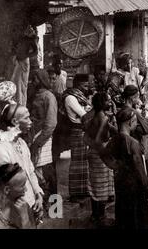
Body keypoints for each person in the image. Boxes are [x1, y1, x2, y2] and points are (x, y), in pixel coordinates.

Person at [100, 107, 148, 229]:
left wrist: (115, 166)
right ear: (130, 122)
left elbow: (103, 155)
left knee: (123, 215)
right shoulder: (132, 143)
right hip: (134, 186)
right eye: (135, 121)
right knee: (138, 218)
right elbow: (139, 168)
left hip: (120, 182)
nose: (136, 124)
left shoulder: (114, 140)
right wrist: (147, 187)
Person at [0, 104, 44, 223]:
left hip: (29, 204)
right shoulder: (1, 149)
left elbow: (31, 172)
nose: (30, 122)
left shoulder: (21, 143)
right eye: (26, 118)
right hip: (14, 209)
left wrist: (38, 194)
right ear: (14, 121)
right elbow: (4, 188)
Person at [83, 92, 116, 226]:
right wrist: (103, 151)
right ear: (103, 103)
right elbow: (98, 139)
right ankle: (101, 217)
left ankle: (95, 215)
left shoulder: (95, 116)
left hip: (92, 153)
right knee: (102, 186)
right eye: (108, 100)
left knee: (95, 184)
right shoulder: (103, 118)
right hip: (100, 153)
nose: (110, 102)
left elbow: (85, 137)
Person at [29, 69, 58, 204]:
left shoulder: (49, 96)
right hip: (34, 135)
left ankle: (55, 209)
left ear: (40, 81)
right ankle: (43, 204)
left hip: (43, 136)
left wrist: (38, 142)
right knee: (37, 170)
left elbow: (51, 123)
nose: (32, 81)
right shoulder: (35, 95)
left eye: (35, 79)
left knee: (46, 171)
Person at [61, 74, 91, 202]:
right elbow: (85, 115)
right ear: (78, 84)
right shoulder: (70, 98)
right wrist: (90, 109)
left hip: (82, 131)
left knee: (84, 162)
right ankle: (75, 193)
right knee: (77, 163)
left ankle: (83, 190)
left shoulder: (79, 97)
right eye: (84, 85)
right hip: (77, 131)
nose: (86, 87)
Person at [0, 163, 37, 229]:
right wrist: (25, 218)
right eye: (22, 186)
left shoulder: (24, 205)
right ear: (7, 190)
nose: (26, 189)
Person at [10, 24, 38, 106]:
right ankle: (17, 103)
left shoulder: (31, 40)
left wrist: (26, 56)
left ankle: (21, 104)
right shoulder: (22, 39)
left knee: (21, 83)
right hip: (19, 61)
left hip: (24, 62)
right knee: (15, 81)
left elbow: (35, 52)